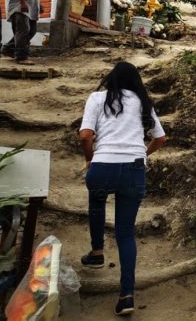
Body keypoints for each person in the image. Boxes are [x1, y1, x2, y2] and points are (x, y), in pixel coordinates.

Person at [79, 62, 166, 315]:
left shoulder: (97, 98)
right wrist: (144, 153)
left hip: (103, 166)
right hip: (133, 170)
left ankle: (97, 252)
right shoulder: (143, 102)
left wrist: (89, 158)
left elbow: (85, 135)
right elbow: (160, 138)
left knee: (97, 199)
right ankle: (126, 296)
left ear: (111, 79)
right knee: (125, 233)